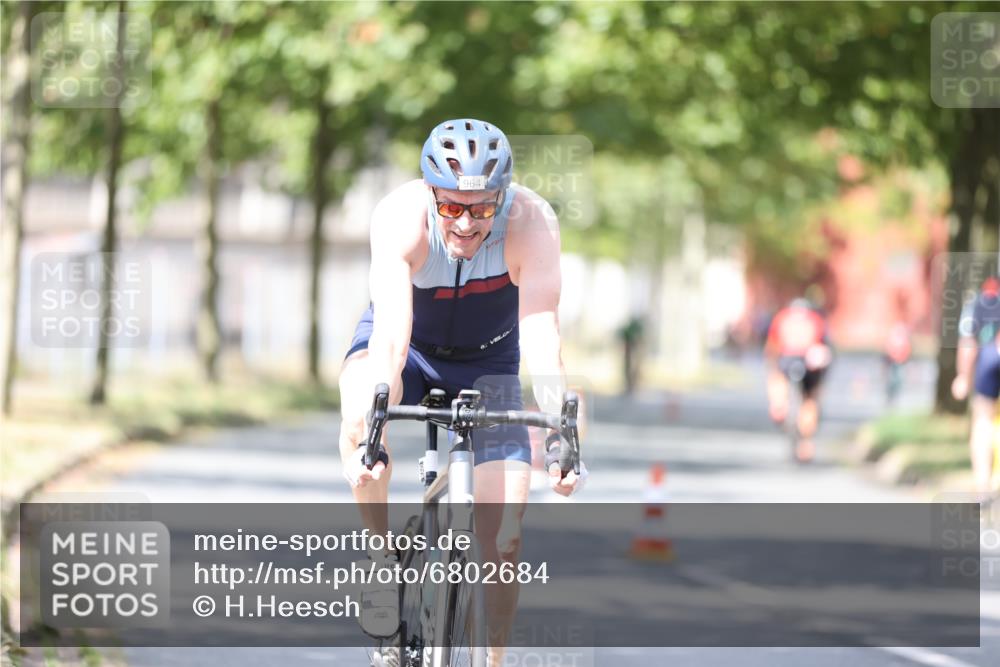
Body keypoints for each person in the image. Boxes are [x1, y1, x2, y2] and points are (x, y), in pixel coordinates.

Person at [338, 118, 588, 665]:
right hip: (413, 348)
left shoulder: (533, 222)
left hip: (490, 364)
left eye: (482, 206)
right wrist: (373, 425)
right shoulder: (400, 217)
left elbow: (542, 339)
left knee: (505, 540)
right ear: (431, 193)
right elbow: (391, 340)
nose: (467, 222)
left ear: (503, 197)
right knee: (361, 409)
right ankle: (380, 558)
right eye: (452, 207)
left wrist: (561, 434)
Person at [765, 296, 834, 463]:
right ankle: (806, 444)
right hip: (810, 362)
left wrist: (772, 367)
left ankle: (779, 406)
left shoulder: (782, 317)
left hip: (786, 360)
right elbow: (825, 347)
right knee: (810, 399)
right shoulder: (815, 319)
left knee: (777, 376)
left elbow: (772, 347)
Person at [951, 274, 1000, 502]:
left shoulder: (980, 302)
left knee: (982, 421)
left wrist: (963, 376)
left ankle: (983, 487)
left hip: (989, 358)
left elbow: (968, 342)